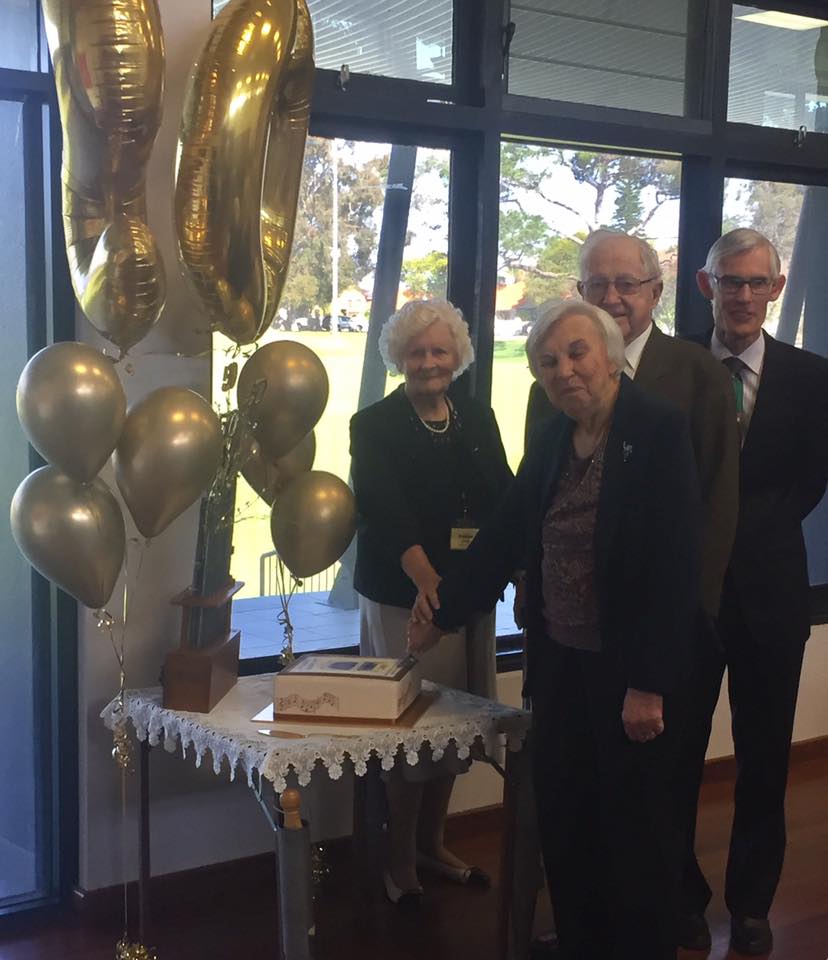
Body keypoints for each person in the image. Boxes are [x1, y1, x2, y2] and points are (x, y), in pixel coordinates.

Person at [410, 299, 701, 960]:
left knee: (635, 828)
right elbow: (504, 536)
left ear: (609, 353)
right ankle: (580, 940)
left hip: (627, 671)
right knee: (569, 820)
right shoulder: (550, 436)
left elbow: (675, 565)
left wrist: (649, 685)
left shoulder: (657, 430)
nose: (565, 371)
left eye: (577, 353)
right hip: (561, 663)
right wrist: (442, 611)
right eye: (548, 363)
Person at [522, 230, 739, 953]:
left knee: (647, 807)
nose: (612, 296)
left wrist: (669, 647)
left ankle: (652, 929)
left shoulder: (693, 377)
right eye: (597, 283)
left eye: (627, 282)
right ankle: (589, 934)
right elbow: (530, 509)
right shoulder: (548, 387)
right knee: (576, 803)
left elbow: (707, 513)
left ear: (655, 290)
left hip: (657, 644)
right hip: (567, 647)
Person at [682, 228, 828, 956]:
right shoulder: (673, 369)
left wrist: (746, 530)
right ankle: (680, 898)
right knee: (674, 756)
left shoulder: (812, 376)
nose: (742, 295)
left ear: (774, 288)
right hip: (687, 599)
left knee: (764, 760)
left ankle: (750, 905)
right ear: (706, 286)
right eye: (728, 281)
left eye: (756, 282)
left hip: (771, 596)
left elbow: (811, 480)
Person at [349, 298, 513, 905]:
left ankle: (433, 843)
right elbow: (386, 514)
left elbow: (503, 497)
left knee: (456, 724)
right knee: (409, 729)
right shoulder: (374, 425)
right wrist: (430, 589)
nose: (428, 362)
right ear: (400, 357)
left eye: (440, 351)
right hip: (404, 600)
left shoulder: (476, 415)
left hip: (465, 595)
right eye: (416, 352)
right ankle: (398, 859)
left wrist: (474, 585)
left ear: (458, 356)